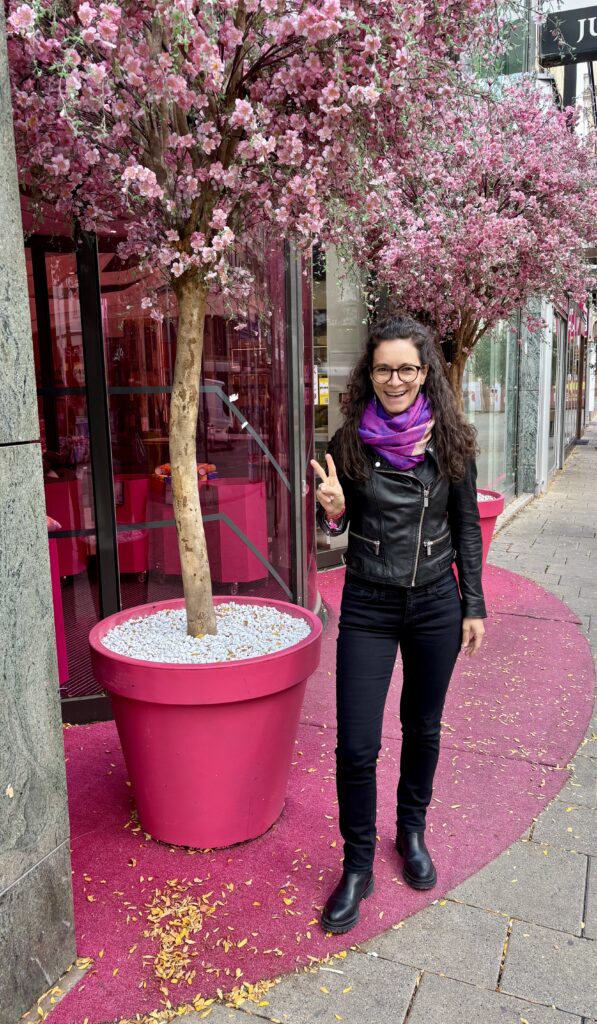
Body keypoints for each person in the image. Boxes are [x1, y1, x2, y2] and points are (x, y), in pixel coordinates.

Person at [311, 314, 487, 935]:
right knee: (356, 745)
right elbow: (336, 521)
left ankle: (410, 831)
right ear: (370, 373)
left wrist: (474, 604)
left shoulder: (452, 440)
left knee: (423, 728)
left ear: (424, 373)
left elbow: (466, 526)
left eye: (407, 368)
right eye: (383, 368)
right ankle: (356, 864)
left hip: (436, 601)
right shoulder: (348, 445)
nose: (395, 379)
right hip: (368, 604)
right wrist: (332, 516)